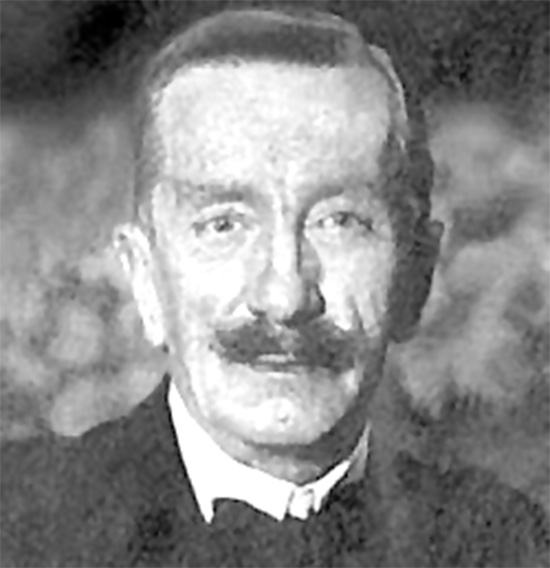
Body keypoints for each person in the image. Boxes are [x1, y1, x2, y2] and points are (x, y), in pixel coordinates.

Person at [1, 8, 548, 568]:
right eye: (224, 225)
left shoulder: (509, 544)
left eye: (339, 222)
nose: (285, 297)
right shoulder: (16, 527)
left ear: (416, 274)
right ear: (145, 278)